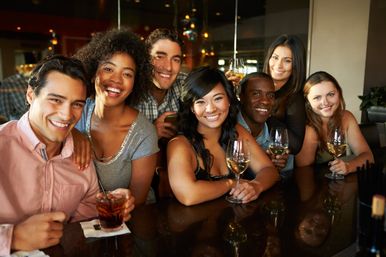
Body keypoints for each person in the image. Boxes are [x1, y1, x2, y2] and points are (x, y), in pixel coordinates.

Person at [0, 55, 134, 255]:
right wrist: (13, 237)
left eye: (77, 104)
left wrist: (109, 206)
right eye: (55, 100)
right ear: (30, 95)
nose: (66, 114)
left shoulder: (80, 153)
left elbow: (86, 210)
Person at [167, 66, 279, 206]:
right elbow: (188, 195)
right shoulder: (180, 144)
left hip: (233, 221)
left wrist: (256, 186)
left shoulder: (236, 131)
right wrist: (231, 183)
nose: (211, 109)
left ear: (229, 99)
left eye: (218, 98)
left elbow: (269, 170)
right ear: (191, 108)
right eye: (200, 102)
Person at [74, 28, 159, 205]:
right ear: (92, 73)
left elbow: (138, 200)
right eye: (108, 68)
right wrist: (72, 134)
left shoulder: (143, 132)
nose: (117, 80)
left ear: (135, 83)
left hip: (134, 219)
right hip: (84, 219)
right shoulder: (75, 113)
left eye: (127, 74)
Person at [296, 71, 374, 174]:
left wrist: (348, 167)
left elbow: (368, 157)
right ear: (308, 102)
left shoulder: (346, 117)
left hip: (337, 183)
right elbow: (303, 173)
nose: (325, 102)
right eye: (317, 97)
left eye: (331, 94)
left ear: (339, 93)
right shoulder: (309, 129)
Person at [134, 28, 187, 139]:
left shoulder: (183, 83)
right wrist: (150, 133)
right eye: (160, 57)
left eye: (175, 59)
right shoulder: (130, 88)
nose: (168, 67)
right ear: (146, 58)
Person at [237, 72, 291, 175]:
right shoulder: (227, 129)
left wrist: (277, 168)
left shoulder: (278, 135)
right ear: (241, 97)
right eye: (256, 94)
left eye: (270, 95)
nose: (265, 101)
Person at [262, 34, 307, 157]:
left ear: (296, 66)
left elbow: (296, 145)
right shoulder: (256, 86)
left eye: (287, 60)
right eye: (275, 57)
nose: (278, 65)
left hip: (279, 165)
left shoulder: (295, 98)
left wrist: (264, 114)